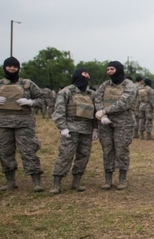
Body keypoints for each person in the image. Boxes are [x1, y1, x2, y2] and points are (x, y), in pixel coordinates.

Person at [0, 57, 46, 191]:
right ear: (4, 67)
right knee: (4, 152)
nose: (12, 69)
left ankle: (36, 182)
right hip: (1, 124)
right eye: (9, 66)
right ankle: (10, 181)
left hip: (24, 123)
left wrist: (31, 102)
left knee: (29, 151)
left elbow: (42, 100)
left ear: (18, 68)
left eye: (14, 66)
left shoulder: (28, 84)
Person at [50, 68, 97, 194]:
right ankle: (56, 183)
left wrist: (95, 128)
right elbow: (59, 111)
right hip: (70, 130)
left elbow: (95, 112)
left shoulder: (91, 94)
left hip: (86, 130)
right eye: (84, 73)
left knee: (83, 156)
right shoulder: (67, 92)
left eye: (88, 73)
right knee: (65, 155)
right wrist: (63, 128)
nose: (87, 75)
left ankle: (76, 182)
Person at [94, 60, 138, 190]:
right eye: (108, 69)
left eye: (112, 69)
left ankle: (122, 179)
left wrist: (105, 111)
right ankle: (108, 179)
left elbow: (124, 102)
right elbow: (97, 98)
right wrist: (103, 114)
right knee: (107, 150)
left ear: (119, 70)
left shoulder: (129, 85)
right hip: (105, 122)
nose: (109, 72)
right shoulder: (105, 85)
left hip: (124, 123)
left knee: (121, 150)